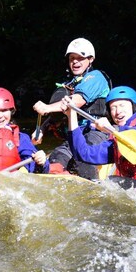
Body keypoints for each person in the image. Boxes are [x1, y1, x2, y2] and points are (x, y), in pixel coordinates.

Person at [32, 37, 111, 179]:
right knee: (56, 157)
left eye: (80, 58)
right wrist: (41, 129)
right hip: (75, 132)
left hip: (96, 132)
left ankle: (91, 182)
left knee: (82, 159)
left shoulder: (96, 77)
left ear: (90, 59)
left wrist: (47, 107)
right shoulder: (69, 84)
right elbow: (56, 115)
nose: (75, 62)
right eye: (72, 58)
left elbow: (76, 102)